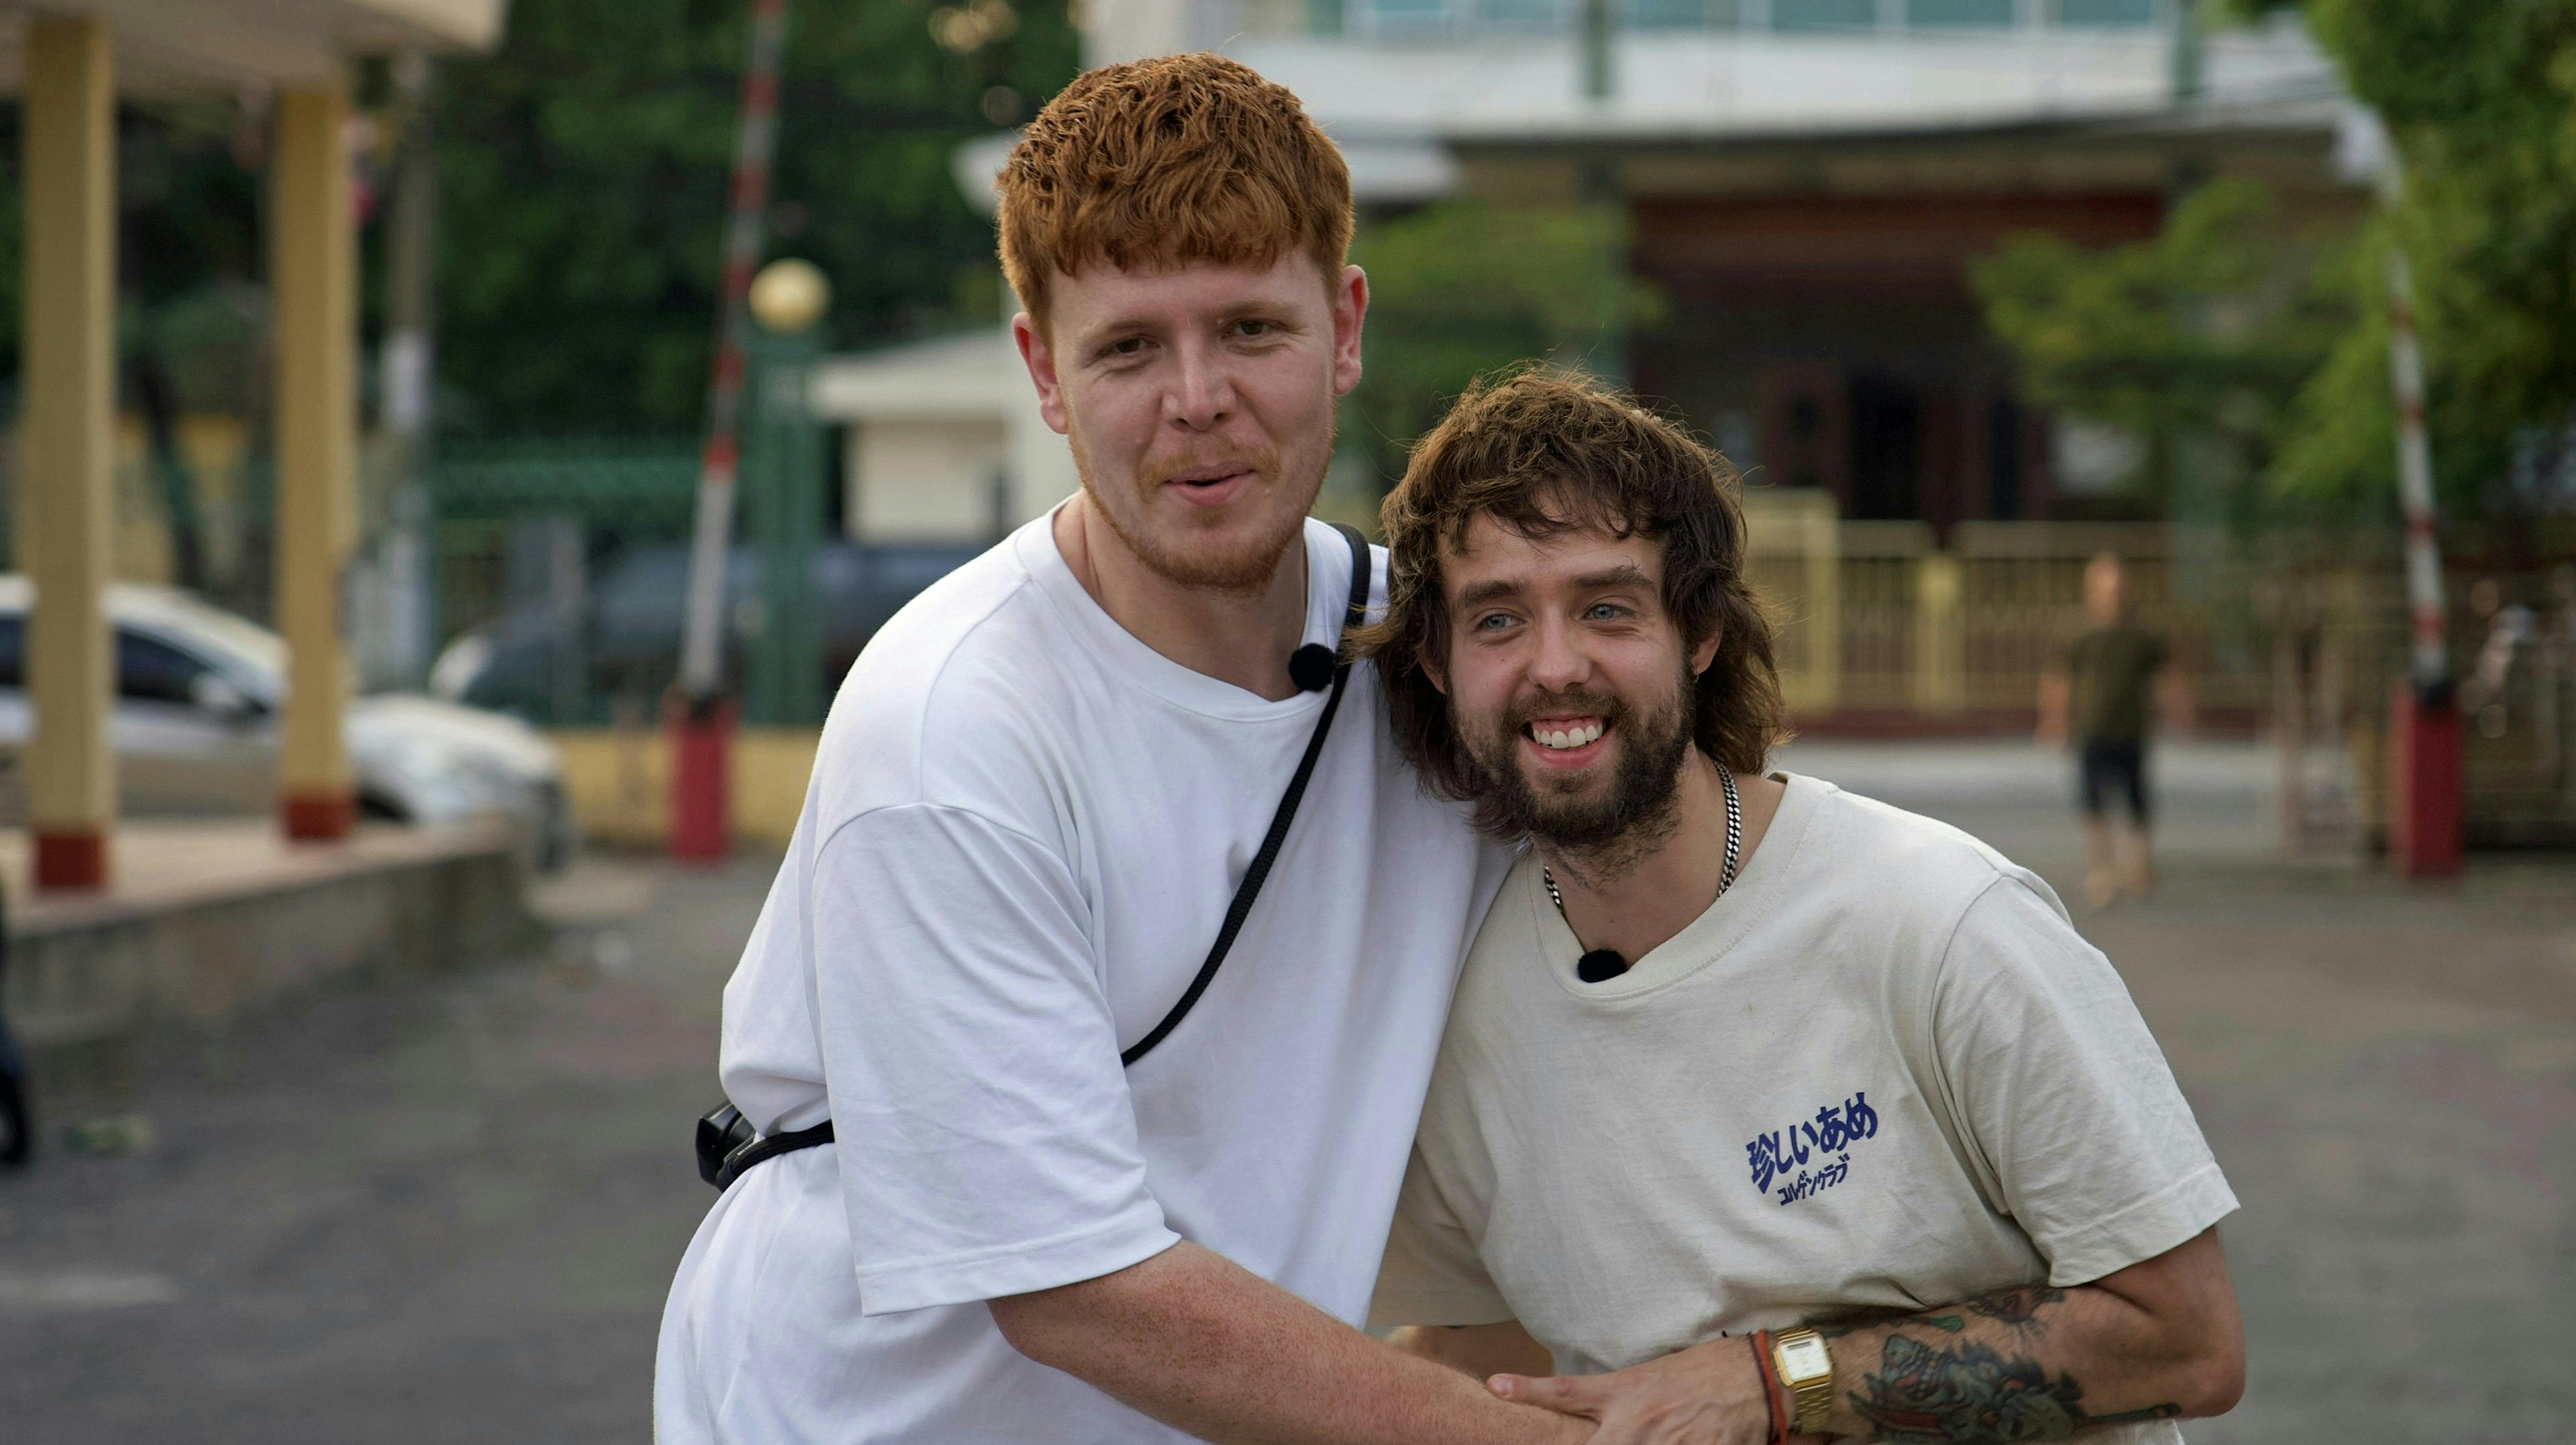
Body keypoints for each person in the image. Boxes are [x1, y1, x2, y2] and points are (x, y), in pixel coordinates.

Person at [655, 56, 1591, 1445]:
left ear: (1343, 328)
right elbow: (1076, 1289)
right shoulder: (954, 727)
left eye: (1251, 329)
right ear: (1044, 370)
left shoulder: (1451, 655)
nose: (1197, 398)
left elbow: (1702, 894)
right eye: (1129, 348)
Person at [1360, 373, 2246, 1445]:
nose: (1556, 666)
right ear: (1438, 661)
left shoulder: (1944, 924)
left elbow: (2188, 1339)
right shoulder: (1463, 1008)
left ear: (1698, 631)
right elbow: (1485, 1352)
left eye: (1606, 607)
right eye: (1498, 618)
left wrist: (1775, 1385)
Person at [2037, 551, 2192, 908]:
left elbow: (2166, 677)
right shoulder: (2077, 632)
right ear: (2091, 590)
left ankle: (2139, 864)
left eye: (2119, 589)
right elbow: (2059, 678)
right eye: (2106, 589)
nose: (2113, 596)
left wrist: (2180, 711)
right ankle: (2102, 871)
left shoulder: (2144, 635)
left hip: (2132, 730)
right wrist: (2054, 719)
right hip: (2091, 730)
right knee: (2093, 804)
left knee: (2138, 801)